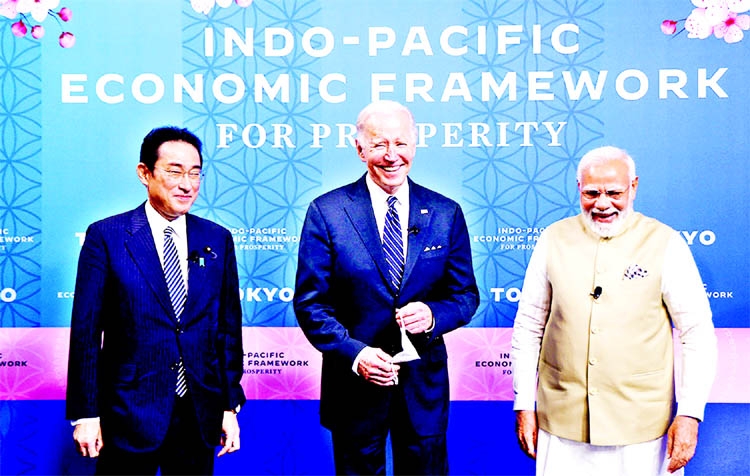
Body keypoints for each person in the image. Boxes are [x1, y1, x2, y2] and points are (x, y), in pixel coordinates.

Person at [293, 100, 479, 475]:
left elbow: (465, 296)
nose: (391, 156)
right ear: (360, 148)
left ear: (415, 145)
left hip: (422, 388)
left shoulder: (446, 212)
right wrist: (357, 355)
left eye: (401, 144)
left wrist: (432, 315)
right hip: (354, 387)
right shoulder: (327, 212)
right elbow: (311, 304)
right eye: (379, 145)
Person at [511, 146, 718, 475]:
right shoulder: (552, 239)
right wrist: (524, 403)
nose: (602, 203)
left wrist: (690, 412)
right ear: (578, 188)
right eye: (592, 192)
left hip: (643, 431)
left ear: (633, 187)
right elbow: (528, 326)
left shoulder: (666, 243)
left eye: (614, 192)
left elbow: (697, 333)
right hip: (561, 425)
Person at [66, 126, 246, 475]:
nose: (187, 184)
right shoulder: (108, 236)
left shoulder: (216, 238)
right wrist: (87, 414)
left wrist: (228, 406)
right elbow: (86, 333)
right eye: (174, 171)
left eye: (195, 173)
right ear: (144, 173)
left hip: (198, 411)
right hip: (129, 411)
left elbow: (227, 330)